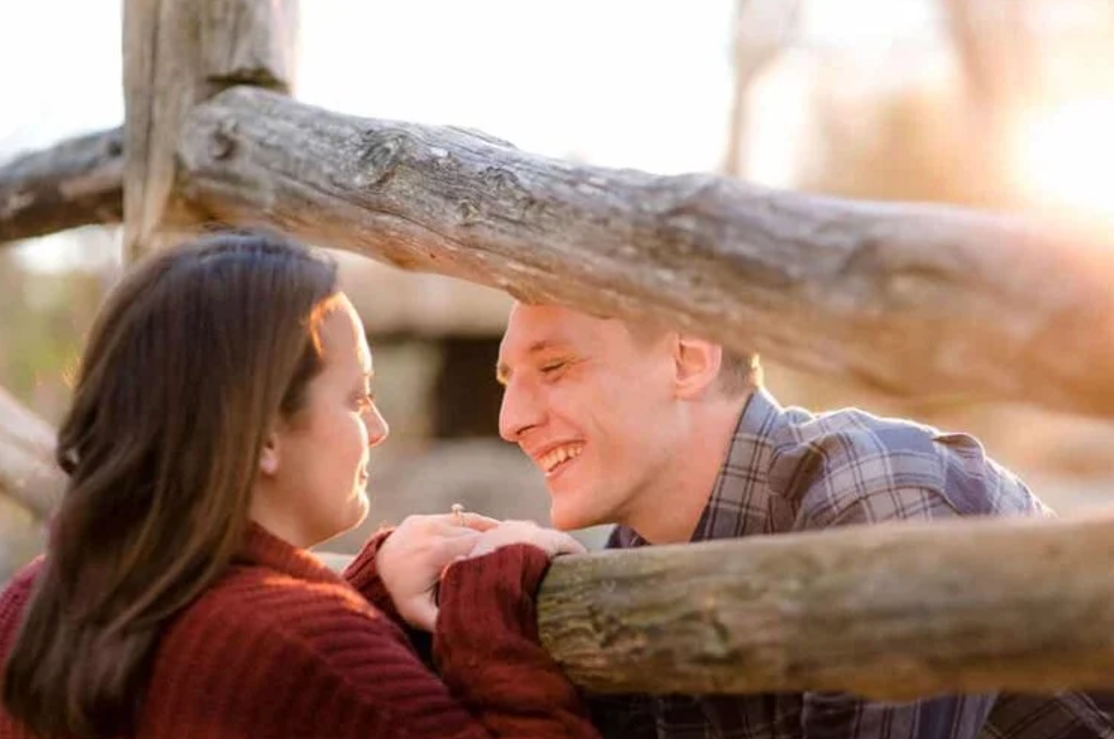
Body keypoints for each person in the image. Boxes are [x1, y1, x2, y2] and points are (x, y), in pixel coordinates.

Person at [0, 232, 600, 739]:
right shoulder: (304, 649)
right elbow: (297, 667)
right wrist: (491, 606)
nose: (379, 427)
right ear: (262, 434)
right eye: (356, 397)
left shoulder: (34, 599)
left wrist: (366, 591)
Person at [495, 301, 1114, 739]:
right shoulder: (623, 560)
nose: (510, 419)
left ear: (687, 360)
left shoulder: (878, 495)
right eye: (508, 381)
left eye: (554, 368)